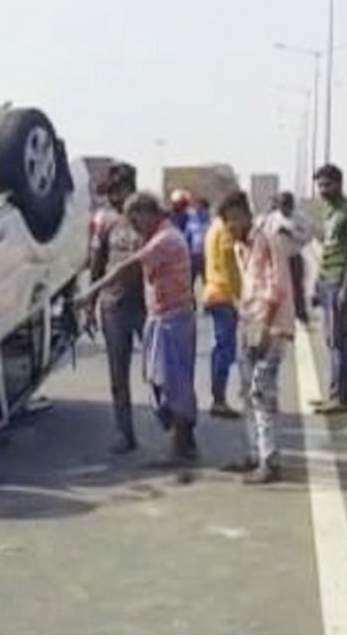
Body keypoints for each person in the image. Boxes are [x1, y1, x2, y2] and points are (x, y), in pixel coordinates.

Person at [85, 192, 198, 463]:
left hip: (167, 317)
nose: (133, 227)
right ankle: (171, 440)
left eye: (136, 220)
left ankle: (180, 444)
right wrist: (93, 300)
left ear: (148, 213)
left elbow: (129, 265)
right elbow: (98, 261)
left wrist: (89, 292)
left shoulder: (164, 238)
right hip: (143, 313)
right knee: (157, 382)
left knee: (172, 384)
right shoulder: (111, 225)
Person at [221, 191, 295, 484]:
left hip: (270, 326)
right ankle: (255, 454)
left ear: (245, 214)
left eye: (233, 219)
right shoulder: (241, 247)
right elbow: (245, 288)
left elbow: (277, 286)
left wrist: (263, 326)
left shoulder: (267, 238)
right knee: (247, 394)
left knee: (261, 393)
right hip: (249, 323)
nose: (230, 226)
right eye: (226, 222)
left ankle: (270, 460)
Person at [86, 163, 146, 454]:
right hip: (114, 307)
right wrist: (89, 306)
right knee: (118, 375)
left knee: (160, 372)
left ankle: (178, 431)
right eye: (108, 193)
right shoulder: (105, 221)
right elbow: (97, 264)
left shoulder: (147, 218)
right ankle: (125, 433)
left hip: (147, 305)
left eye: (116, 192)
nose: (112, 198)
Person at [312, 164, 347, 414]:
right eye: (320, 185)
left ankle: (341, 398)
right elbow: (327, 251)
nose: (323, 190)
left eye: (327, 184)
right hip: (326, 283)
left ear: (338, 184)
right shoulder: (330, 214)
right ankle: (334, 393)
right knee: (331, 340)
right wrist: (316, 284)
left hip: (338, 284)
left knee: (339, 341)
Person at [202, 193, 241, 418]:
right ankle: (219, 399)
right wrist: (239, 297)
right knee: (224, 349)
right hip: (224, 294)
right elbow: (230, 267)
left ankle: (219, 396)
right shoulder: (225, 230)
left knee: (220, 347)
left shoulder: (213, 227)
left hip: (213, 291)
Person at [273, 192, 311, 324]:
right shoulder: (273, 218)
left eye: (287, 206)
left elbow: (307, 238)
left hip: (294, 257)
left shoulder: (300, 218)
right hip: (278, 258)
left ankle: (300, 313)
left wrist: (291, 233)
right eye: (282, 206)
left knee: (297, 287)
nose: (285, 209)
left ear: (292, 205)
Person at [184, 198, 209, 287]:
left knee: (207, 281)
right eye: (197, 207)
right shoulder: (191, 222)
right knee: (190, 281)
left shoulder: (209, 221)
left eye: (201, 207)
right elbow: (187, 238)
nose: (199, 209)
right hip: (194, 255)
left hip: (206, 255)